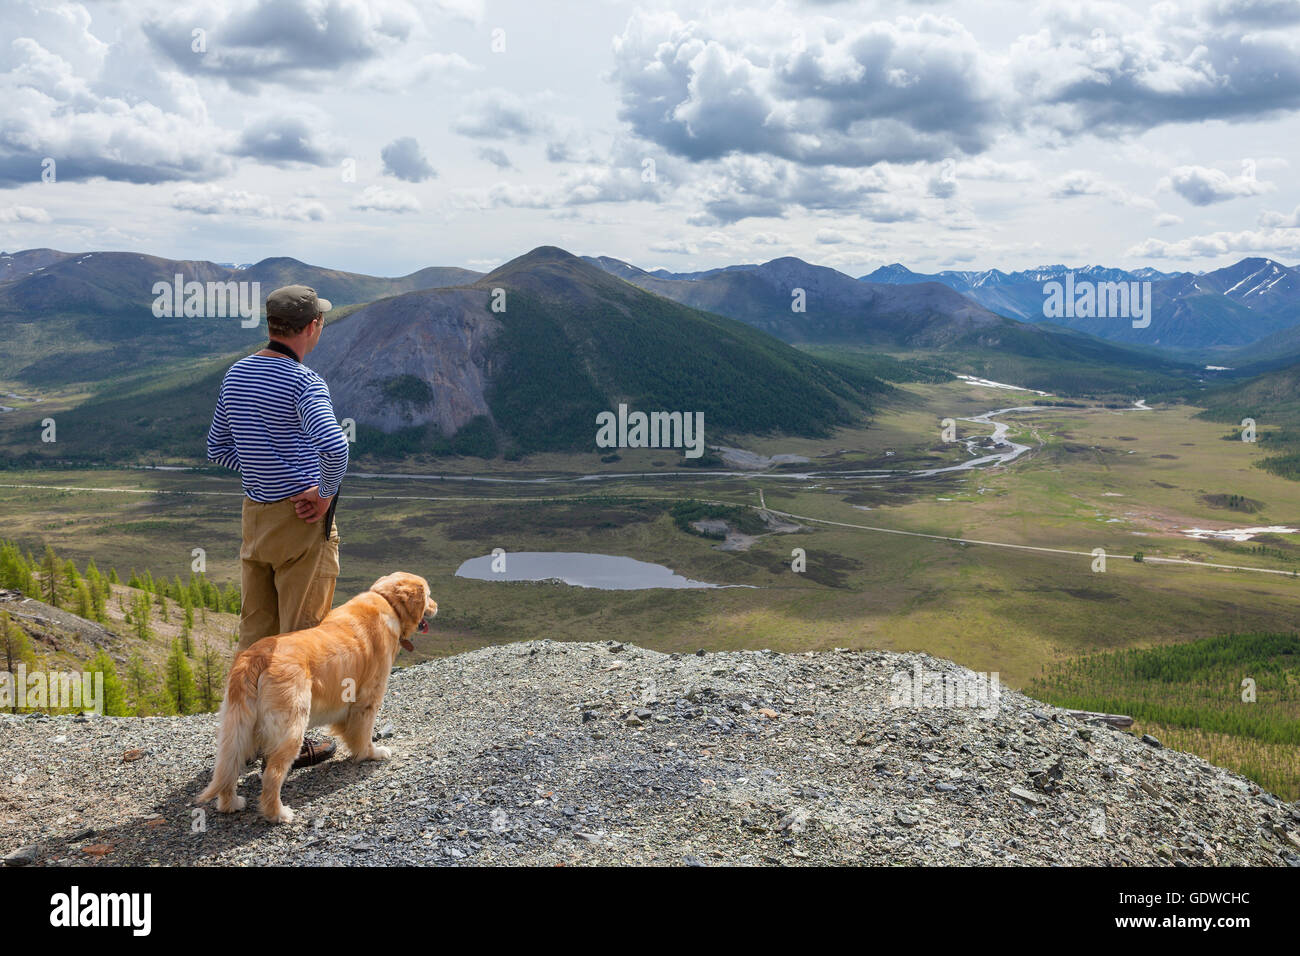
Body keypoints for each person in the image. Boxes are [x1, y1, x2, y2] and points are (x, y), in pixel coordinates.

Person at [206, 284, 349, 767]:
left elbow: (218, 449)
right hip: (301, 519)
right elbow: (336, 448)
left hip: (256, 519)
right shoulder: (304, 382)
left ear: (271, 325)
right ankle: (291, 742)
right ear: (312, 327)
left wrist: (262, 469)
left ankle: (244, 741)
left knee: (256, 637)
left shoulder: (237, 373)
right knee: (302, 636)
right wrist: (320, 492)